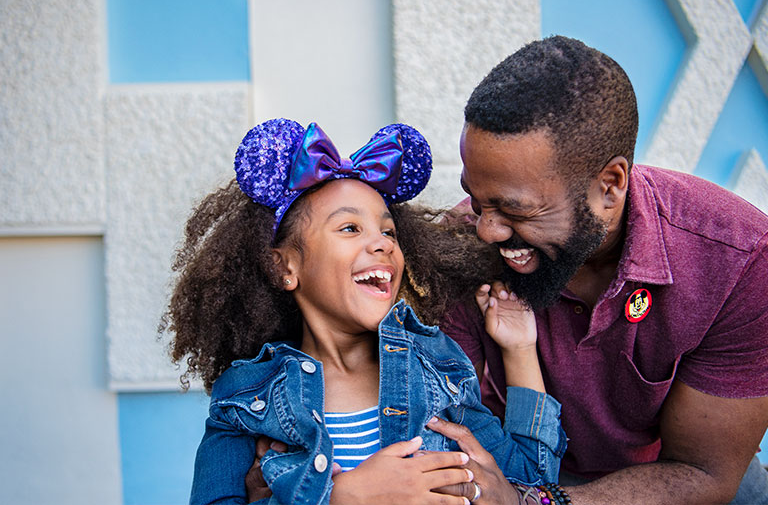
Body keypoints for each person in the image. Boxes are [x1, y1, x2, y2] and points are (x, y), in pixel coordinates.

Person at [161, 118, 567, 505]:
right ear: (284, 267)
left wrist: (519, 350)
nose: (382, 244)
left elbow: (530, 480)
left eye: (388, 232)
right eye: (350, 228)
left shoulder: (436, 367)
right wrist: (339, 497)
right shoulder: (248, 395)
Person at [440, 35, 768, 504]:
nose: (487, 229)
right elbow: (456, 420)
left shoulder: (739, 262)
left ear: (610, 186)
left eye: (515, 210)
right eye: (476, 198)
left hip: (668, 477)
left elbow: (702, 472)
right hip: (522, 466)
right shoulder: (464, 245)